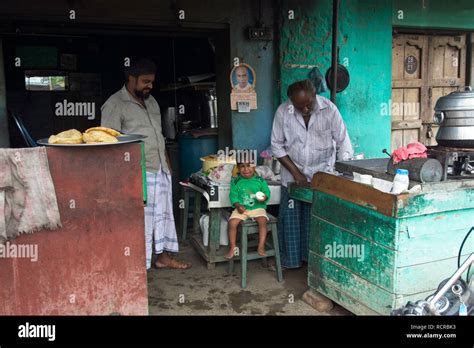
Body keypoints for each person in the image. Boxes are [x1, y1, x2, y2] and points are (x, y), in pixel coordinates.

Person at [101, 58, 191, 270]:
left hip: (160, 168)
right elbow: (107, 143)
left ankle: (162, 257)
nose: (149, 86)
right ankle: (137, 265)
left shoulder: (151, 102)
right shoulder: (114, 105)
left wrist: (168, 166)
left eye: (152, 81)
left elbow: (158, 135)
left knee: (164, 215)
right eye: (145, 81)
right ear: (130, 79)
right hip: (136, 172)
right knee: (140, 221)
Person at [270, 79, 353, 269]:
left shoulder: (329, 110)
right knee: (290, 219)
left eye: (308, 104)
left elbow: (343, 143)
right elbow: (276, 145)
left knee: (314, 218)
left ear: (315, 95)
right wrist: (297, 174)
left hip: (322, 173)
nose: (305, 109)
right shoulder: (284, 111)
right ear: (291, 102)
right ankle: (290, 261)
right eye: (300, 106)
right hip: (292, 175)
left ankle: (312, 262)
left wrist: (341, 173)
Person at [225, 155, 271, 260]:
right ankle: (232, 247)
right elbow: (233, 196)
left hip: (257, 207)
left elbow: (266, 192)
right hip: (242, 209)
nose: (246, 169)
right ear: (238, 168)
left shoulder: (260, 180)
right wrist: (237, 205)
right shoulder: (236, 181)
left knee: (263, 221)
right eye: (242, 166)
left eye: (249, 166)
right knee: (232, 223)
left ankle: (261, 245)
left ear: (254, 167)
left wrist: (264, 197)